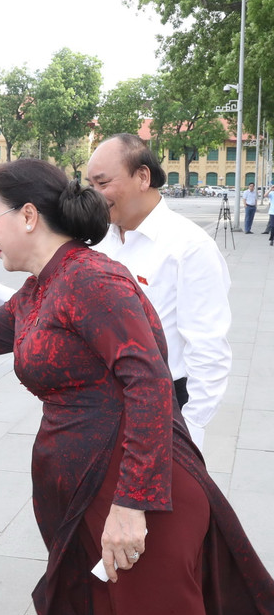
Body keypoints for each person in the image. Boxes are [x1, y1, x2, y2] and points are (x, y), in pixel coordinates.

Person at [0, 158, 274, 615]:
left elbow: (149, 382)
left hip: (129, 487)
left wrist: (131, 505)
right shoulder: (43, 287)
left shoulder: (91, 280)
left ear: (29, 216)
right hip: (88, 484)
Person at [87, 134, 232, 451]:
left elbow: (208, 352)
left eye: (103, 183)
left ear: (142, 176)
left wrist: (188, 432)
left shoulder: (189, 247)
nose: (95, 195)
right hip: (101, 403)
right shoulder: (99, 242)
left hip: (164, 406)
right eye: (90, 185)